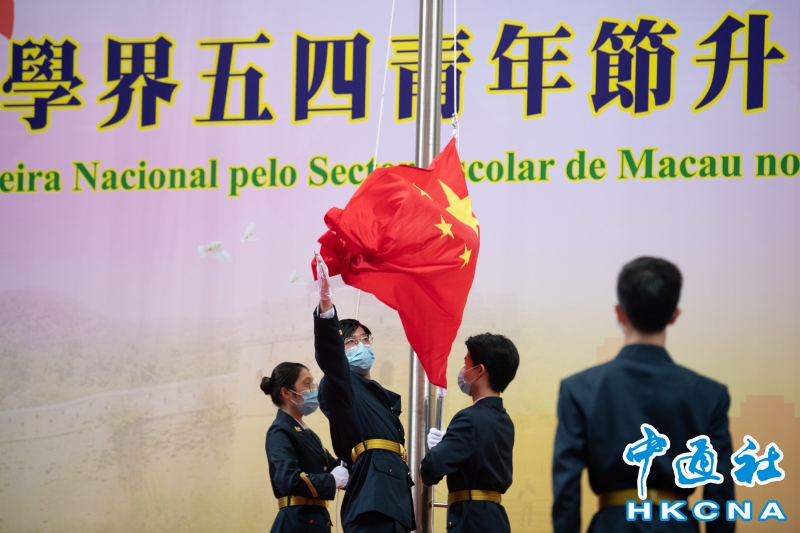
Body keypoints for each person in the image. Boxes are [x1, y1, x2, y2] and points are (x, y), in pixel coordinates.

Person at [552, 257, 735, 533]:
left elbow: (566, 488)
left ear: (619, 313)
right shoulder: (709, 394)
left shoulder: (579, 388)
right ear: (674, 315)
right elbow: (721, 495)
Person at [312, 253, 416, 533]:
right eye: (350, 341)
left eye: (365, 338)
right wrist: (326, 305)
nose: (361, 345)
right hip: (371, 496)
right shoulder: (341, 386)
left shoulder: (379, 394)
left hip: (394, 497)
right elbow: (330, 356)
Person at [420, 333, 519, 533]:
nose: (463, 371)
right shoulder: (505, 420)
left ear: (479, 370)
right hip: (494, 517)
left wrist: (439, 450)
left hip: (471, 519)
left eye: (466, 364)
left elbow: (430, 470)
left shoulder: (469, 419)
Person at [262, 362, 349, 533]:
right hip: (297, 521)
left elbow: (333, 466)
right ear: (286, 393)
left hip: (315, 520)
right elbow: (287, 479)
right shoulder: (279, 431)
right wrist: (332, 481)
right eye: (307, 384)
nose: (313, 390)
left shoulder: (306, 432)